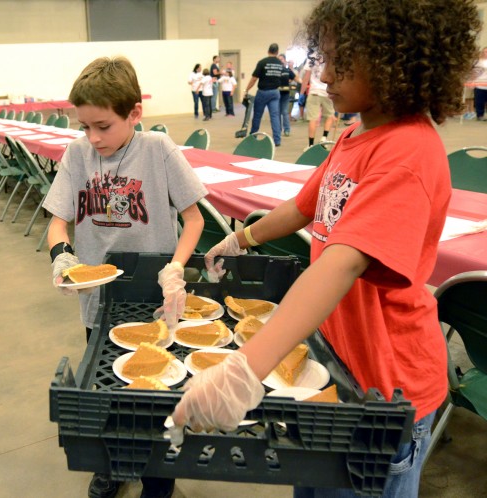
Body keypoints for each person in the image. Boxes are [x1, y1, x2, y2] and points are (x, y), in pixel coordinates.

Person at [173, 1, 480, 498]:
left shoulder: (406, 152)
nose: (324, 75)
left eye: (343, 62)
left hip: (386, 386)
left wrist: (246, 368)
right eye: (326, 57)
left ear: (393, 62)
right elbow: (302, 207)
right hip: (338, 368)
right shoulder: (356, 133)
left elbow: (341, 262)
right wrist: (241, 237)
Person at [43, 56, 206, 498]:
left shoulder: (158, 151)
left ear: (135, 113)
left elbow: (194, 220)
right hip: (99, 299)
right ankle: (114, 464)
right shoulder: (78, 154)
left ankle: (158, 477)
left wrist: (176, 267)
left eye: (103, 126)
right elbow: (58, 222)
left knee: (154, 389)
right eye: (85, 127)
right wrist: (62, 255)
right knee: (108, 390)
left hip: (151, 295)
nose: (94, 138)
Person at [244, 43, 284, 146]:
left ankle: (253, 138)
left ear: (268, 51)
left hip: (263, 92)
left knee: (257, 116)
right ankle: (277, 140)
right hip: (275, 92)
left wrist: (246, 89)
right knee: (275, 116)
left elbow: (254, 78)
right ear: (277, 52)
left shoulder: (262, 62)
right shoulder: (280, 63)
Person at [302, 61, 336, 147]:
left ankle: (310, 144)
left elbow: (306, 78)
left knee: (313, 118)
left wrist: (302, 93)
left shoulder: (311, 59)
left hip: (314, 92)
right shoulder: (330, 58)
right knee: (330, 115)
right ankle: (324, 138)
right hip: (327, 92)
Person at [278, 54, 298, 137]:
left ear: (285, 60)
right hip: (276, 94)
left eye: (282, 59)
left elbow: (295, 77)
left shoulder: (287, 70)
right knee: (277, 113)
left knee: (285, 112)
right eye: (279, 59)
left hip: (285, 94)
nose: (280, 60)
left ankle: (287, 129)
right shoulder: (276, 70)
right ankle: (278, 129)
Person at [473, 47, 487, 121]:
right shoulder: (477, 61)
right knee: (479, 102)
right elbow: (474, 73)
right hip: (479, 85)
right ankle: (480, 115)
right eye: (485, 52)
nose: (486, 53)